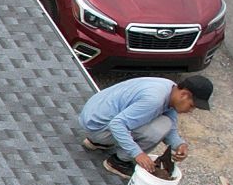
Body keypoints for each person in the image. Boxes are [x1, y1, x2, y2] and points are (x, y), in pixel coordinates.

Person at [77, 72, 211, 176]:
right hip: (97, 127)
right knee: (160, 127)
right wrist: (138, 154)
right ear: (184, 95)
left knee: (165, 122)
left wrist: (179, 144)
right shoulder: (154, 100)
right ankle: (118, 162)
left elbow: (171, 126)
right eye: (192, 106)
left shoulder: (169, 88)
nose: (191, 111)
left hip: (94, 118)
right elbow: (117, 124)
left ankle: (97, 143)